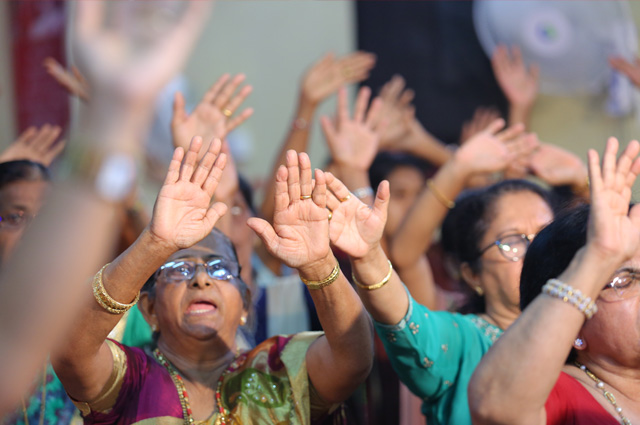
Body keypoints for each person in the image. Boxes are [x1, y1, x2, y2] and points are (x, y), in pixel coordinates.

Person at [52, 139, 378, 424]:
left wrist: (320, 264)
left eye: (219, 268)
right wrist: (155, 243)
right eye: (180, 268)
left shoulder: (281, 370)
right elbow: (71, 352)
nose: (201, 279)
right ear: (149, 309)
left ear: (245, 305)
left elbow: (353, 359)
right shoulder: (130, 380)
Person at [351, 127, 556, 424]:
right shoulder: (461, 339)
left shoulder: (583, 332)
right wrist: (458, 166)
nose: (535, 251)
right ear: (473, 274)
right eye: (513, 241)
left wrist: (581, 182)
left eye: (545, 234)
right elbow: (404, 306)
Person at [469, 137, 640, 425]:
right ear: (574, 326)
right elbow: (493, 405)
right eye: (625, 280)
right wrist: (598, 256)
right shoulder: (558, 396)